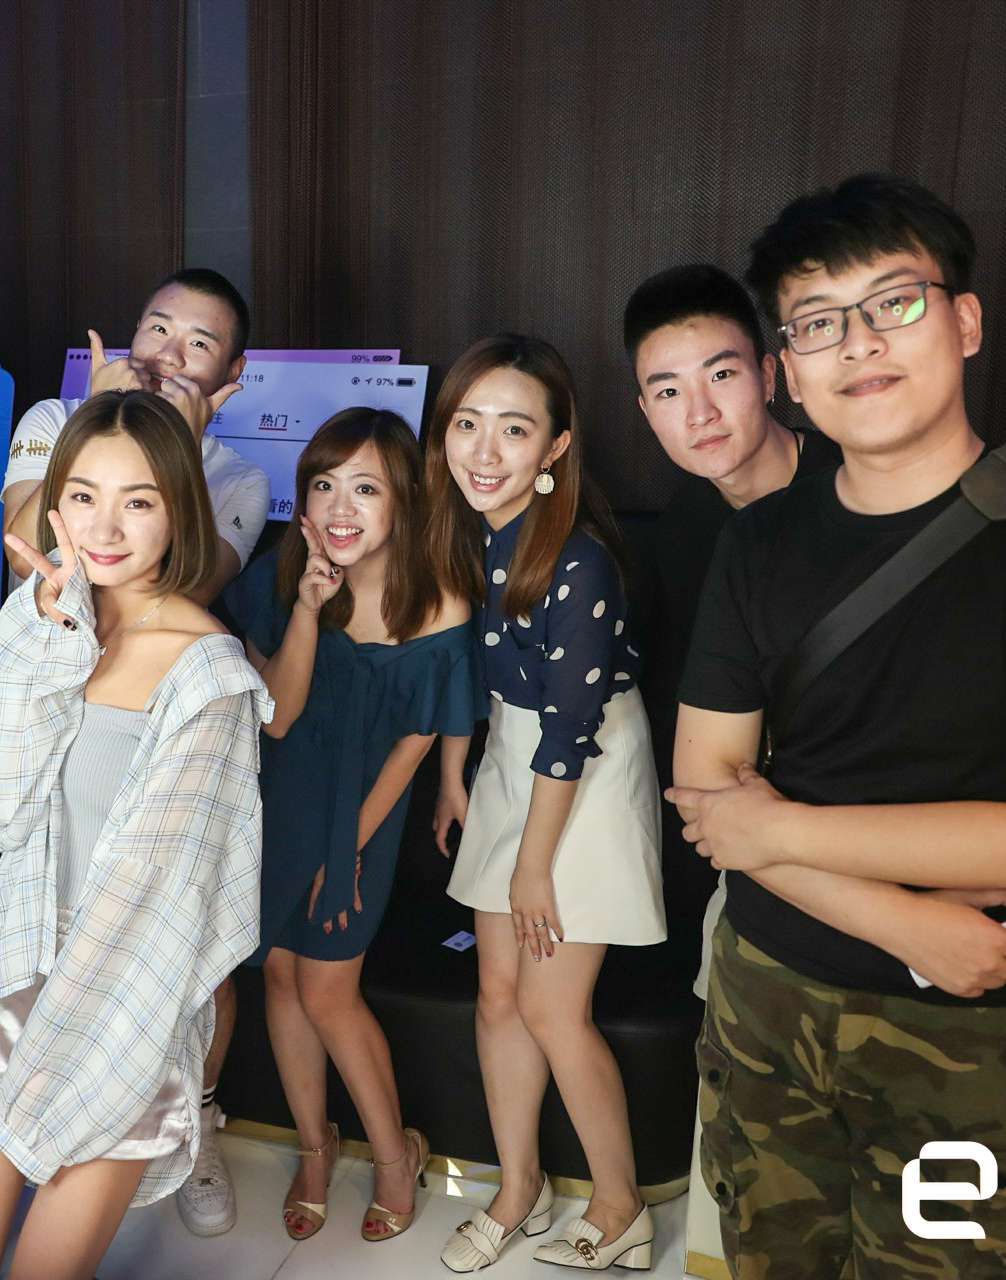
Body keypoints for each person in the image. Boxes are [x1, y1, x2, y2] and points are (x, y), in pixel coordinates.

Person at [669, 174, 1006, 1278]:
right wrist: (900, 918)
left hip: (973, 1022)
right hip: (767, 991)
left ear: (966, 320)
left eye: (894, 302)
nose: (858, 343)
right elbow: (707, 793)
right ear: (788, 369)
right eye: (817, 322)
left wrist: (775, 830)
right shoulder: (757, 544)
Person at [0, 391, 272, 1280]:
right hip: (14, 958)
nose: (104, 527)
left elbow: (170, 898)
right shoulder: (46, 621)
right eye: (82, 495)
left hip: (128, 988)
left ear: (179, 509)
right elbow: (2, 796)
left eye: (138, 501)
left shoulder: (208, 671)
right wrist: (41, 640)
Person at [0, 266, 267, 1234]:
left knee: (188, 936)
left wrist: (172, 449)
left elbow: (186, 583)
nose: (168, 353)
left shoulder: (238, 477)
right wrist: (99, 424)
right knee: (43, 903)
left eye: (198, 343)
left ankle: (192, 1114)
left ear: (230, 377)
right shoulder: (51, 416)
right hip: (51, 702)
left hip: (158, 717)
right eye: (158, 327)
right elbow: (30, 545)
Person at [425, 335, 663, 1272]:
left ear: (557, 446)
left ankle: (621, 1206)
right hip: (513, 757)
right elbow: (472, 675)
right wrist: (457, 774)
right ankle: (517, 1188)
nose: (484, 451)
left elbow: (573, 733)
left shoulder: (579, 562)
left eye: (514, 430)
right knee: (496, 996)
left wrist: (531, 864)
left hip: (582, 772)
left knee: (553, 1008)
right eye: (467, 424)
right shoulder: (469, 531)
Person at [223, 408, 478, 1243]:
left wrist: (348, 850)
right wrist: (307, 606)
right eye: (324, 485)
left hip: (362, 811)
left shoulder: (440, 602)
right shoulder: (279, 576)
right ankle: (314, 1147)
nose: (340, 507)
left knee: (329, 989)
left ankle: (396, 1155)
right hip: (279, 798)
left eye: (365, 488)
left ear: (403, 500)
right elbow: (277, 718)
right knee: (281, 978)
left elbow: (414, 746)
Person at [620, 263, 841, 946]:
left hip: (851, 820)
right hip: (742, 840)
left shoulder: (853, 490)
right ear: (645, 410)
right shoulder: (687, 524)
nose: (700, 413)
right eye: (668, 390)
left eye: (721, 375)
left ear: (770, 377)